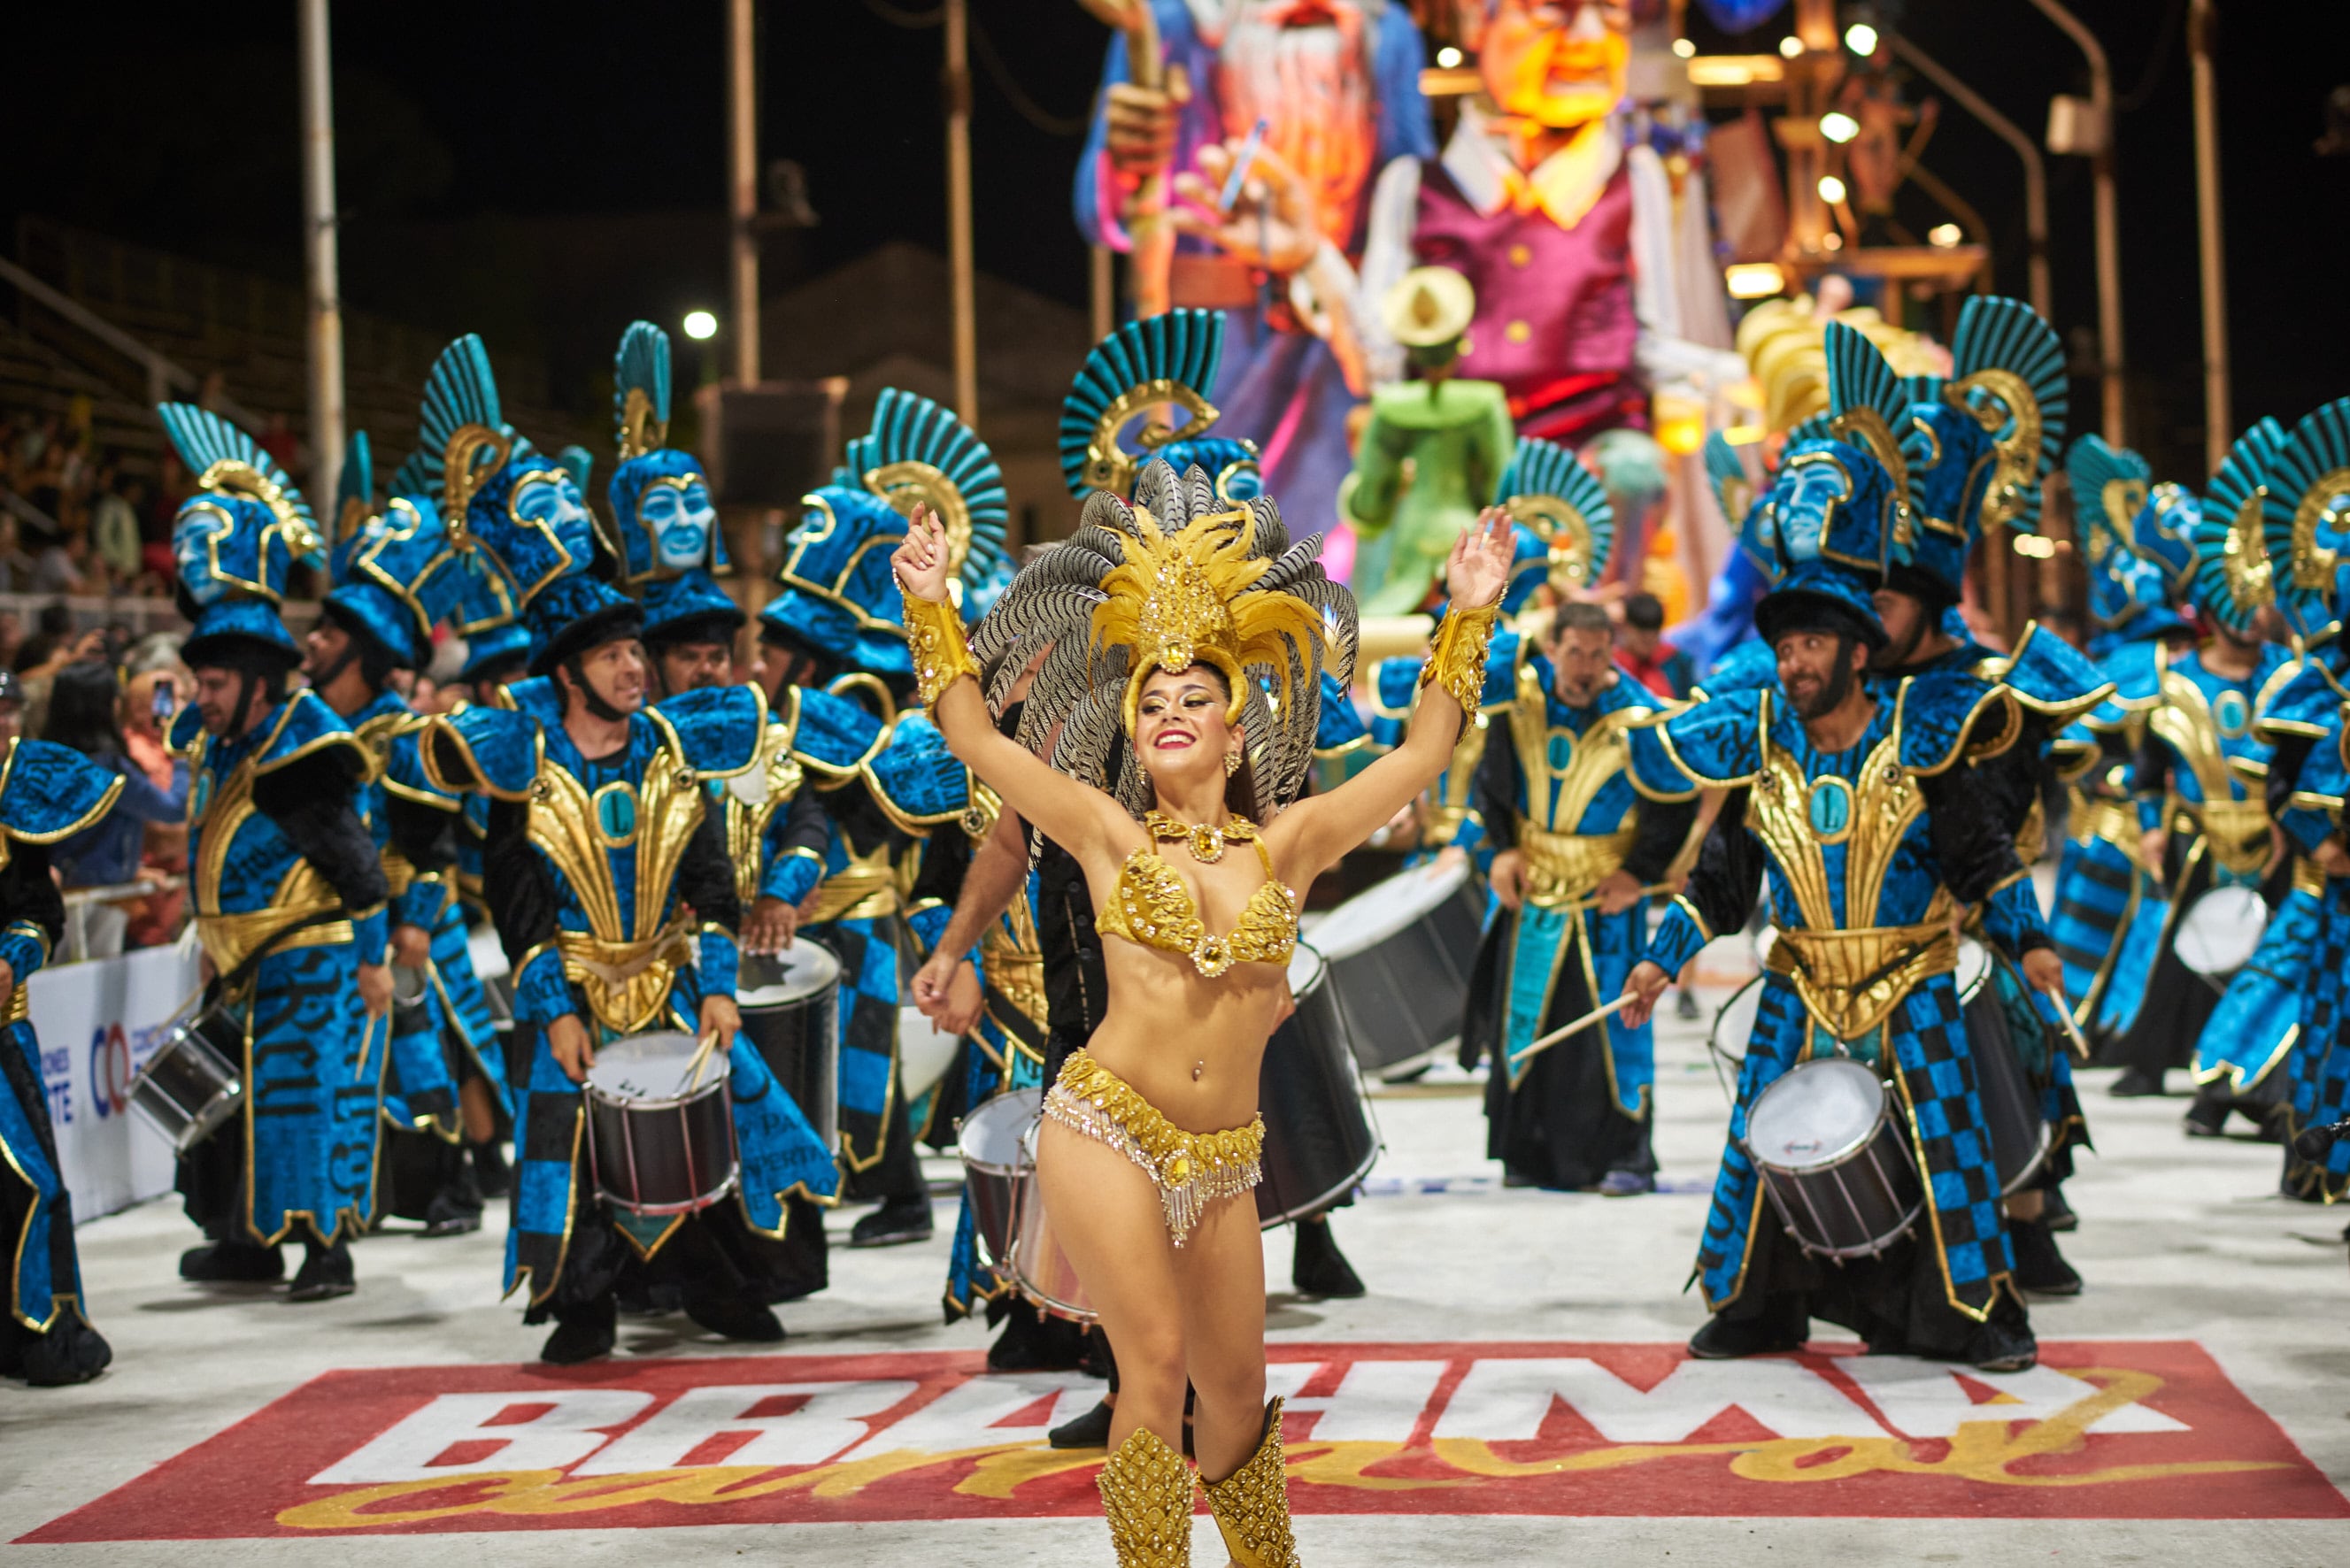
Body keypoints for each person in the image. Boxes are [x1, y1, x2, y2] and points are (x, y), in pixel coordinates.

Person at [892, 459, 1511, 1565]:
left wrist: (1470, 613)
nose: (1174, 713)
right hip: (1104, 1123)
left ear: (1236, 730)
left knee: (1235, 1398)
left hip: (1224, 1153)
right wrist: (931, 605)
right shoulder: (1100, 830)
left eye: (1197, 699)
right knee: (1159, 1359)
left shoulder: (1293, 841)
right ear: (1133, 734)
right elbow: (978, 741)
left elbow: (1423, 754)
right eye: (1155, 702)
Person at [412, 332, 836, 1362]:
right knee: (573, 1150)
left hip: (673, 973)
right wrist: (551, 1005)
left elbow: (706, 877)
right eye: (614, 655)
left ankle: (717, 1285)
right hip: (575, 983)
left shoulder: (673, 746)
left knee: (716, 1131)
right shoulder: (524, 760)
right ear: (570, 671)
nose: (637, 667)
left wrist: (723, 982)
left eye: (636, 650)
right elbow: (512, 892)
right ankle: (584, 1303)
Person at [1618, 412, 2066, 1375]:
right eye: (1786, 648)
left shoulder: (1922, 734)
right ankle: (1752, 1308)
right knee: (1755, 1148)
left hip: (1912, 974)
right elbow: (1721, 880)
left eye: (1815, 645)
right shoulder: (1762, 747)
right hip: (1801, 977)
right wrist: (1660, 958)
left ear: (1859, 652)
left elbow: (1981, 854)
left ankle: (1974, 1312)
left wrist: (2028, 940)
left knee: (1953, 1148)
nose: (1796, 662)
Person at [157, 402, 389, 1302]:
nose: (200, 696)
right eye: (199, 679)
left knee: (303, 1107)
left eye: (214, 682)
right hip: (241, 960)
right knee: (230, 1112)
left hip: (310, 958)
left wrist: (373, 962)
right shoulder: (224, 744)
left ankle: (325, 1250)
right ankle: (247, 1241)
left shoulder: (300, 745)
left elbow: (359, 865)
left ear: (256, 679)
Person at [309, 434, 507, 1238]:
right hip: (336, 924)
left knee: (426, 1052)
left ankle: (449, 1183)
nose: (311, 643)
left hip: (404, 924)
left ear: (359, 652)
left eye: (326, 634)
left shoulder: (401, 734)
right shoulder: (313, 729)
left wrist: (418, 921)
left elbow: (436, 839)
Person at [1474, 589, 1692, 1195]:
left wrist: (1639, 874)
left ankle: (1625, 1157)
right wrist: (1501, 851)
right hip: (1534, 889)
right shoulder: (1518, 700)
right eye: (1574, 652)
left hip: (1605, 899)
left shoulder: (1639, 714)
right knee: (1524, 1022)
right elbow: (1492, 781)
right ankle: (1526, 1153)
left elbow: (1671, 807)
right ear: (1552, 648)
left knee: (1616, 1023)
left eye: (1598, 655)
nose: (1585, 666)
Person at [0, 730, 127, 1383]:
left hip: (0, 1036)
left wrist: (11, 958)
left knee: (26, 1180)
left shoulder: (17, 799)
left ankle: (39, 1327)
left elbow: (38, 915)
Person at [41, 660, 189, 958]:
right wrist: (182, 754)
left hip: (58, 894)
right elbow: (172, 810)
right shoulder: (107, 769)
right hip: (94, 899)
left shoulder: (44, 761)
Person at [1615, 592, 1693, 701]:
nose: (1648, 645)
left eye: (1654, 637)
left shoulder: (1675, 660)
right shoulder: (1614, 664)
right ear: (1626, 627)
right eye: (1642, 637)